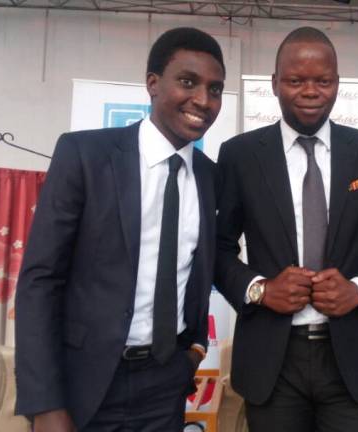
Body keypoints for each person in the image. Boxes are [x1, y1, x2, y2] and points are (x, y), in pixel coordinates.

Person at [14, 27, 224, 431]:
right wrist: (45, 403)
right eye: (187, 82)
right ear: (153, 84)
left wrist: (195, 351)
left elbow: (202, 270)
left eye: (214, 89)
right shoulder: (85, 155)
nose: (203, 99)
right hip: (83, 385)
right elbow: (40, 280)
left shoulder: (211, 177)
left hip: (166, 386)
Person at [214, 26, 358, 432]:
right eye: (295, 80)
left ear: (337, 83)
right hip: (271, 363)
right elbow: (217, 248)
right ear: (274, 83)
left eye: (323, 81)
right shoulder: (240, 156)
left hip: (350, 359)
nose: (310, 91)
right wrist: (260, 289)